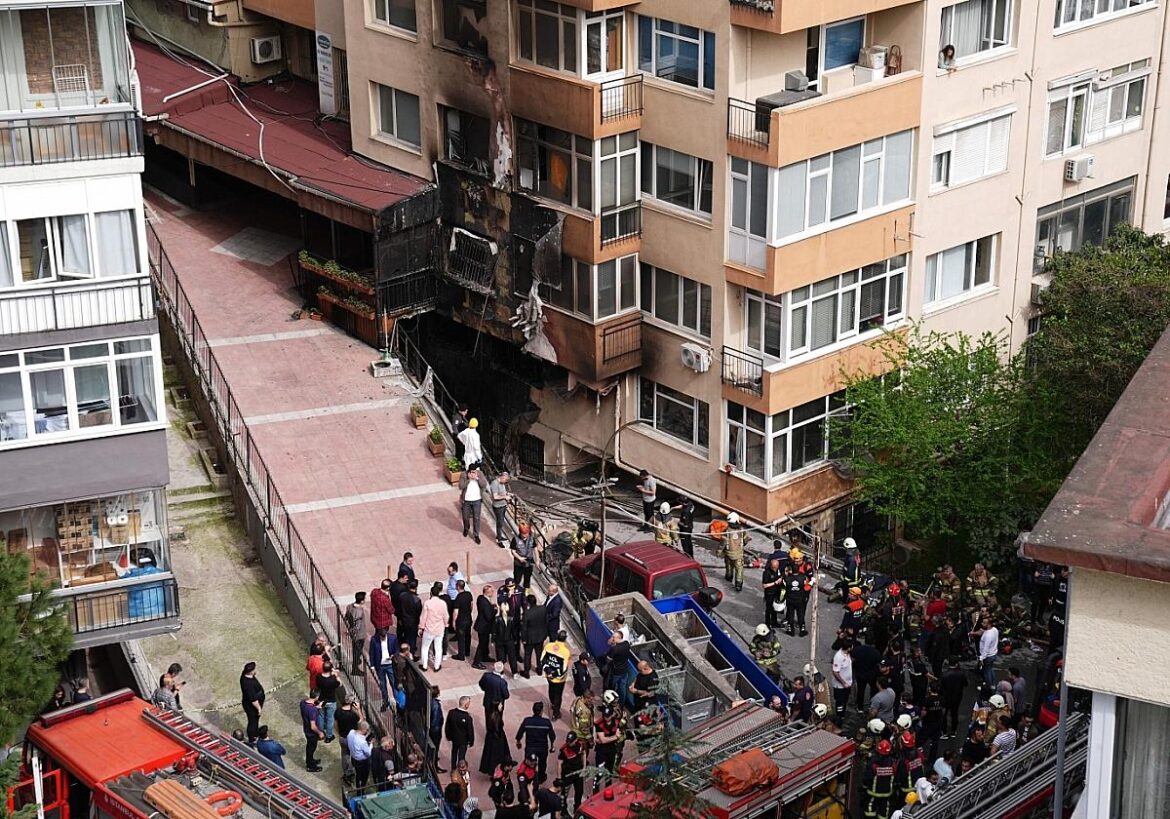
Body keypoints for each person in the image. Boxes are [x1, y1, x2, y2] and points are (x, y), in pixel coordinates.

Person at [517, 702, 557, 784]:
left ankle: (529, 778)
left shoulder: (527, 721)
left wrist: (518, 741)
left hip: (530, 748)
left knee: (529, 764)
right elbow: (552, 736)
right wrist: (552, 746)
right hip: (542, 748)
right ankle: (541, 778)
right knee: (542, 764)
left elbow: (520, 733)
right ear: (541, 711)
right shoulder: (546, 723)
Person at [862, 739, 897, 819]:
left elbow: (868, 776)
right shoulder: (892, 763)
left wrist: (864, 787)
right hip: (887, 792)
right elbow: (895, 775)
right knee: (884, 808)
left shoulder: (873, 763)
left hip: (873, 792)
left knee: (870, 806)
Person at [541, 631, 572, 719]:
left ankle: (553, 704)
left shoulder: (548, 646)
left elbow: (542, 660)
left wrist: (548, 672)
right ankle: (556, 713)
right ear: (565, 639)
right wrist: (554, 674)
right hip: (559, 679)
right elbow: (563, 668)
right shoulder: (566, 652)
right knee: (558, 695)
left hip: (549, 676)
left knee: (551, 689)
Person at [421, 582, 450, 672]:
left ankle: (424, 666)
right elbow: (446, 616)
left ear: (431, 593)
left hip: (429, 629)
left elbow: (423, 617)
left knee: (425, 648)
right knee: (438, 648)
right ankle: (437, 666)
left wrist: (421, 627)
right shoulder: (443, 603)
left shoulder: (427, 603)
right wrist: (446, 624)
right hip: (439, 629)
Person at [480, 702, 514, 775]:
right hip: (498, 738)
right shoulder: (496, 716)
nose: (501, 706)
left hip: (491, 738)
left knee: (491, 754)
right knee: (497, 755)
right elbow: (498, 727)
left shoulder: (492, 715)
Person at [368, 628, 398, 711]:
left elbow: (397, 650)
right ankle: (385, 701)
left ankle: (397, 702)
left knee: (394, 683)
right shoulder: (374, 640)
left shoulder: (393, 638)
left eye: (384, 637)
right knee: (382, 685)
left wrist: (393, 656)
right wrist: (372, 666)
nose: (383, 639)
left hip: (390, 665)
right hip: (380, 666)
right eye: (381, 637)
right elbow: (371, 653)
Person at [461, 463, 490, 544]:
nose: (473, 473)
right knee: (465, 517)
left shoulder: (480, 474)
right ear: (469, 471)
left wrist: (477, 478)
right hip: (466, 500)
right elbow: (461, 486)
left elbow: (484, 484)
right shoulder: (463, 475)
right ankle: (466, 528)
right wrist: (468, 480)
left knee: (476, 518)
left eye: (475, 471)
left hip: (477, 500)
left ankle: (476, 535)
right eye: (472, 472)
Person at [558, 734, 587, 813]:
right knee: (564, 793)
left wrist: (584, 767)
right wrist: (559, 778)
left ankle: (577, 807)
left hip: (578, 772)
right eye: (568, 742)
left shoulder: (580, 745)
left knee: (579, 791)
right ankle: (563, 810)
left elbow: (584, 753)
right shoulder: (563, 749)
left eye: (571, 742)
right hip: (567, 774)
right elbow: (559, 763)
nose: (569, 743)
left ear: (576, 740)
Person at [336, 695, 362, 782]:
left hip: (343, 737)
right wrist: (358, 709)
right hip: (352, 739)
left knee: (344, 755)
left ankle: (346, 772)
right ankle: (352, 772)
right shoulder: (353, 715)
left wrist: (339, 733)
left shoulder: (338, 711)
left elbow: (336, 724)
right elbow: (361, 721)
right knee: (354, 755)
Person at [722, 513, 750, 592]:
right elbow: (746, 539)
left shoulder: (727, 531)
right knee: (739, 569)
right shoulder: (741, 530)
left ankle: (729, 577)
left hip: (729, 553)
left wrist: (719, 551)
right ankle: (738, 585)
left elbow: (723, 542)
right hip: (738, 554)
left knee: (729, 566)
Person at [522, 595, 549, 678]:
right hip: (540, 636)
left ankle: (526, 672)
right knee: (539, 654)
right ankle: (540, 670)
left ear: (528, 603)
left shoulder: (527, 613)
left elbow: (524, 627)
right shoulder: (543, 609)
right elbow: (546, 621)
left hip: (530, 638)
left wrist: (523, 639)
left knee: (527, 655)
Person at [939, 660, 967, 739]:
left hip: (946, 698)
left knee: (944, 714)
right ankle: (953, 731)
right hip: (957, 697)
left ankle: (944, 732)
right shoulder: (961, 674)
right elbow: (966, 684)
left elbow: (941, 688)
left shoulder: (945, 675)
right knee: (954, 714)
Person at [446, 695, 475, 769]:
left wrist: (448, 736)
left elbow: (447, 726)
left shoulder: (451, 713)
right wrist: (471, 741)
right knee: (461, 756)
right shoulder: (467, 717)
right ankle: (460, 770)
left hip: (454, 738)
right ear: (466, 704)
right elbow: (470, 731)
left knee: (454, 753)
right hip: (463, 740)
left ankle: (453, 768)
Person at [473, 583, 498, 669]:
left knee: (485, 642)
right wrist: (495, 610)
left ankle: (485, 656)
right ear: (488, 592)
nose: (493, 593)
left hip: (483, 626)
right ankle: (476, 662)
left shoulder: (481, 598)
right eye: (492, 592)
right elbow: (489, 616)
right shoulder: (484, 602)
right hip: (483, 627)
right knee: (482, 644)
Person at [784, 559, 811, 637]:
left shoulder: (787, 578)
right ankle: (802, 630)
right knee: (801, 615)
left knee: (790, 615)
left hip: (790, 599)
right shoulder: (803, 577)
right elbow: (807, 586)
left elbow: (784, 586)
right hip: (800, 599)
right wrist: (812, 581)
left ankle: (790, 630)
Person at [240, 662, 265, 743]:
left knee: (255, 721)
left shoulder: (247, 676)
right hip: (252, 707)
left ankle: (255, 733)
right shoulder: (248, 684)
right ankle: (252, 737)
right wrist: (259, 709)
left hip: (252, 703)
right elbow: (253, 700)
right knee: (253, 722)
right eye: (254, 669)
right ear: (250, 671)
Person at [300, 691, 325, 773]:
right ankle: (310, 766)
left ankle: (310, 760)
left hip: (306, 729)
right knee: (311, 748)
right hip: (311, 733)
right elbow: (313, 726)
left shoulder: (303, 703)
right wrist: (320, 733)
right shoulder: (312, 710)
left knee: (310, 748)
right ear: (317, 697)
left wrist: (316, 707)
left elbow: (308, 710)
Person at [346, 592, 370, 675]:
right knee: (357, 651)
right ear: (362, 601)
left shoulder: (349, 606)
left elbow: (346, 617)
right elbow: (357, 626)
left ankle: (356, 662)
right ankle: (355, 669)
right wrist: (353, 632)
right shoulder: (359, 612)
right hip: (359, 635)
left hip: (355, 633)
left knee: (356, 650)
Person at [316, 662, 341, 741]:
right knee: (330, 719)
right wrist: (336, 675)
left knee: (321, 716)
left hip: (321, 699)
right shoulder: (332, 679)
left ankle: (320, 733)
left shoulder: (319, 677)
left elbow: (318, 685)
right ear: (330, 669)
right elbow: (340, 684)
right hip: (331, 700)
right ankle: (329, 736)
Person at [973, 615, 999, 689]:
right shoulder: (994, 630)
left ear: (989, 624)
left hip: (988, 656)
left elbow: (985, 649)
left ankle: (987, 687)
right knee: (990, 669)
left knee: (986, 672)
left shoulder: (988, 635)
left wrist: (981, 659)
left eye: (984, 623)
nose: (982, 624)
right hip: (993, 653)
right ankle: (993, 684)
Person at [451, 580, 474, 661]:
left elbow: (456, 612)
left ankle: (461, 655)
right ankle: (467, 651)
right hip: (468, 618)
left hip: (461, 621)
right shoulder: (468, 594)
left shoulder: (458, 598)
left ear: (457, 587)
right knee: (468, 636)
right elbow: (471, 605)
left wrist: (453, 621)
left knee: (461, 638)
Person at [511, 522, 538, 591]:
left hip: (529, 563)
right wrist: (519, 558)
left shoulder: (531, 538)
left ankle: (526, 592)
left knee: (527, 579)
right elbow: (513, 551)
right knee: (517, 579)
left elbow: (535, 549)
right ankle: (515, 591)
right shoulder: (515, 539)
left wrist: (537, 560)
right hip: (519, 564)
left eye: (526, 533)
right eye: (524, 534)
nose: (525, 535)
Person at [831, 641, 854, 716]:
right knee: (840, 703)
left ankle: (842, 715)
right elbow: (835, 672)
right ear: (849, 648)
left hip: (847, 684)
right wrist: (843, 683)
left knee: (845, 701)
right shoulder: (838, 657)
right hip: (840, 686)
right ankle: (839, 717)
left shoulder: (847, 654)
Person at [490, 469, 513, 544]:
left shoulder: (502, 483)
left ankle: (499, 535)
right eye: (505, 480)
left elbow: (502, 492)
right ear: (502, 477)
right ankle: (499, 539)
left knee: (501, 522)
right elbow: (495, 497)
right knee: (499, 522)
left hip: (503, 505)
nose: (505, 482)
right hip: (498, 506)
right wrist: (505, 497)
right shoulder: (495, 484)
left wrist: (507, 494)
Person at [347, 720, 372, 788]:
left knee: (358, 774)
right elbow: (368, 753)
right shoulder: (362, 741)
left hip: (353, 757)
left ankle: (358, 786)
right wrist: (371, 744)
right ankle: (362, 788)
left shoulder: (351, 732)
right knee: (364, 776)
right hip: (362, 761)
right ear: (363, 730)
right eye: (367, 730)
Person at [762, 558, 784, 629]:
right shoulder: (767, 573)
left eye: (776, 567)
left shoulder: (778, 570)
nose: (775, 569)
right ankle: (767, 624)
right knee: (769, 609)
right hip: (769, 593)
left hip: (776, 592)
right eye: (774, 567)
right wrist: (775, 583)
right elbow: (764, 585)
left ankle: (774, 622)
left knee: (775, 609)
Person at [430, 685, 447, 772]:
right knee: (435, 747)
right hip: (435, 730)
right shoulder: (435, 705)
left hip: (433, 729)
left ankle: (434, 759)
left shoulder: (429, 701)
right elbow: (436, 719)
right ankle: (435, 765)